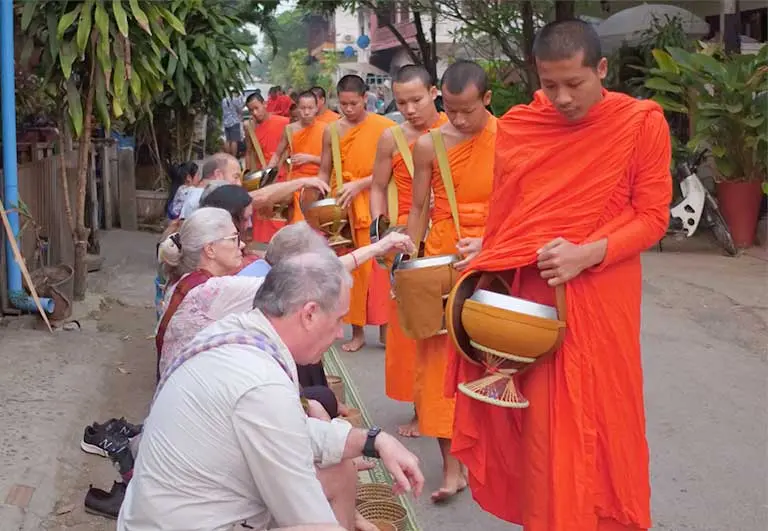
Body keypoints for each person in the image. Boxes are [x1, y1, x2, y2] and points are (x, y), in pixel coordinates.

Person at [445, 20, 671, 531]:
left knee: (605, 413)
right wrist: (493, 245)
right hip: (534, 298)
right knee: (546, 424)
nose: (563, 98)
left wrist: (588, 253)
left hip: (602, 287)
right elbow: (516, 210)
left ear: (602, 69)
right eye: (551, 85)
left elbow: (653, 215)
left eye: (575, 83)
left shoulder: (640, 123)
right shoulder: (525, 126)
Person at [118, 251, 425, 530]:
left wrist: (371, 440)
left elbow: (287, 430)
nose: (340, 332)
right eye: (339, 319)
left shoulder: (238, 331)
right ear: (309, 314)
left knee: (339, 470)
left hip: (163, 514)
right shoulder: (261, 383)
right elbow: (308, 517)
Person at [406, 60, 496, 503]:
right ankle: (451, 469)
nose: (458, 119)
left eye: (467, 110)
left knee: (494, 358)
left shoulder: (511, 140)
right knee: (440, 364)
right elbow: (419, 208)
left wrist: (491, 241)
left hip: (499, 255)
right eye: (451, 110)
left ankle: (495, 460)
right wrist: (409, 259)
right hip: (443, 257)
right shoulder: (429, 146)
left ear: (487, 100)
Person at [370, 64, 447, 438]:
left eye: (416, 99)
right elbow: (377, 186)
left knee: (445, 327)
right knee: (411, 327)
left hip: (448, 229)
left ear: (434, 91)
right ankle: (420, 407)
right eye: (401, 102)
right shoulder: (390, 138)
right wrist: (377, 225)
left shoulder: (455, 129)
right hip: (406, 234)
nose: (410, 109)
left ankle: (446, 407)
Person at [316, 74, 395, 352]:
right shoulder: (332, 130)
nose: (348, 109)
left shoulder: (385, 128)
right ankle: (357, 331)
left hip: (374, 203)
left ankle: (386, 329)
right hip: (343, 210)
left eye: (354, 103)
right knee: (351, 271)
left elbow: (393, 170)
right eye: (344, 104)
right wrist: (321, 205)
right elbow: (325, 170)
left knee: (380, 268)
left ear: (365, 99)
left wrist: (360, 184)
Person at [268, 91, 326, 223]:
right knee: (297, 220)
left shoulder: (326, 129)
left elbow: (333, 161)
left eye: (310, 108)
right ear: (297, 109)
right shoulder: (290, 129)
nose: (306, 112)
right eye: (303, 108)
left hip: (319, 180)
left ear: (317, 108)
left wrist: (310, 158)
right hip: (296, 181)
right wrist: (267, 174)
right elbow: (277, 154)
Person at [244, 91, 291, 243]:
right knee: (262, 215)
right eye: (251, 110)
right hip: (260, 177)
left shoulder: (284, 122)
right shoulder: (250, 128)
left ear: (265, 104)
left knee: (279, 214)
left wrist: (278, 165)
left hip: (280, 174)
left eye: (257, 108)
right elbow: (250, 151)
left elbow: (288, 148)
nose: (255, 113)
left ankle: (280, 242)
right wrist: (249, 176)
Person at [178, 153, 242, 220]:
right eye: (236, 177)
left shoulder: (195, 194)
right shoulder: (204, 199)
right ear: (218, 174)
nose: (239, 183)